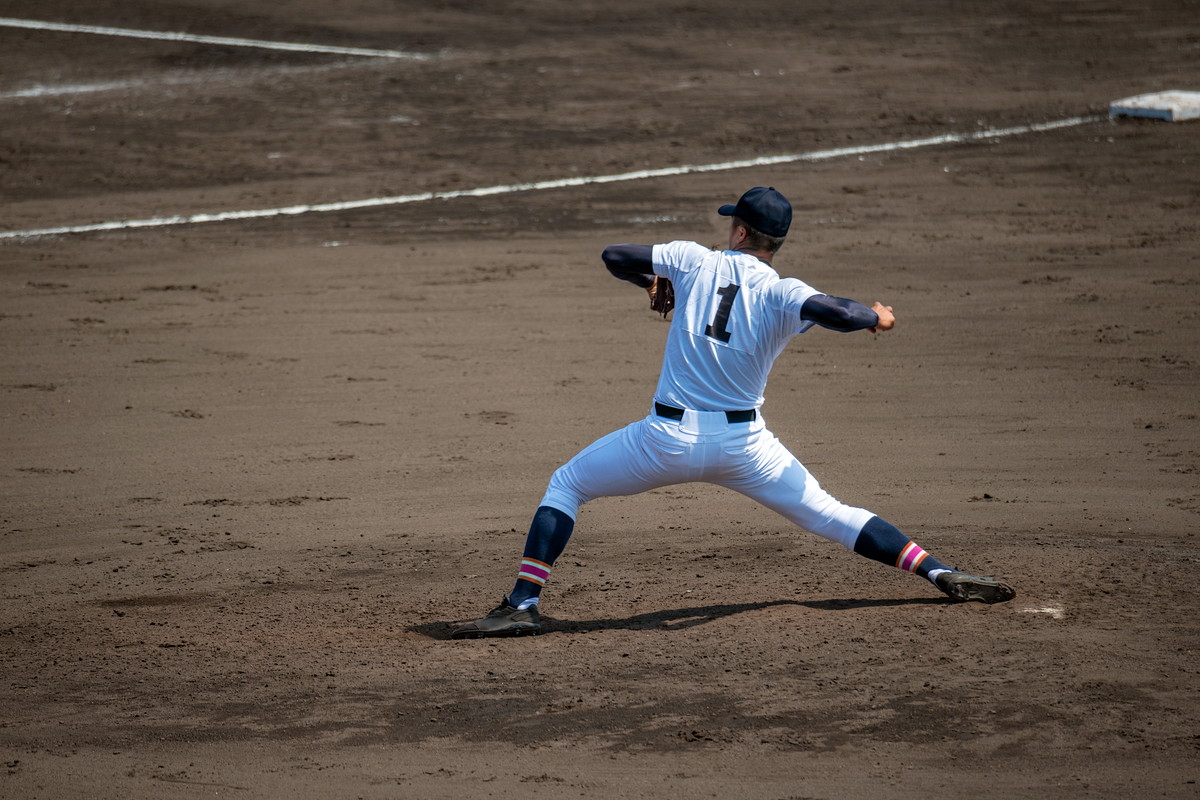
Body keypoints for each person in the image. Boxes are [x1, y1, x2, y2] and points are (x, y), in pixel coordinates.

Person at [451, 186, 1014, 638]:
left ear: (740, 231)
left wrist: (653, 282)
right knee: (830, 513)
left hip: (665, 441)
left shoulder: (693, 261)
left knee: (568, 484)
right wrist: (876, 319)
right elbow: (834, 311)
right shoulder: (781, 291)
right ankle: (936, 571)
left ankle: (524, 603)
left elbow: (613, 256)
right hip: (747, 450)